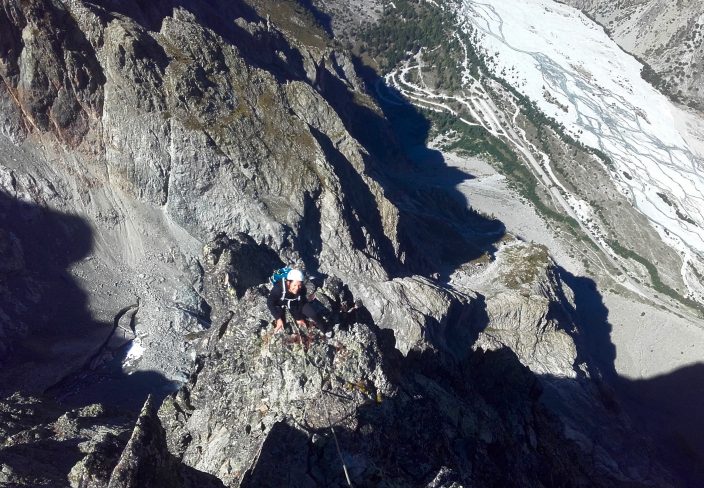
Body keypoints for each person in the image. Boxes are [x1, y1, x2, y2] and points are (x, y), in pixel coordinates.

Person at [267, 268, 319, 334]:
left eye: (299, 285)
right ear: (288, 283)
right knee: (281, 317)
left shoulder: (301, 289)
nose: (297, 288)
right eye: (294, 285)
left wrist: (298, 318)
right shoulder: (278, 289)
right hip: (279, 299)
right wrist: (278, 318)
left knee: (298, 308)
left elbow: (297, 303)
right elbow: (270, 302)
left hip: (289, 298)